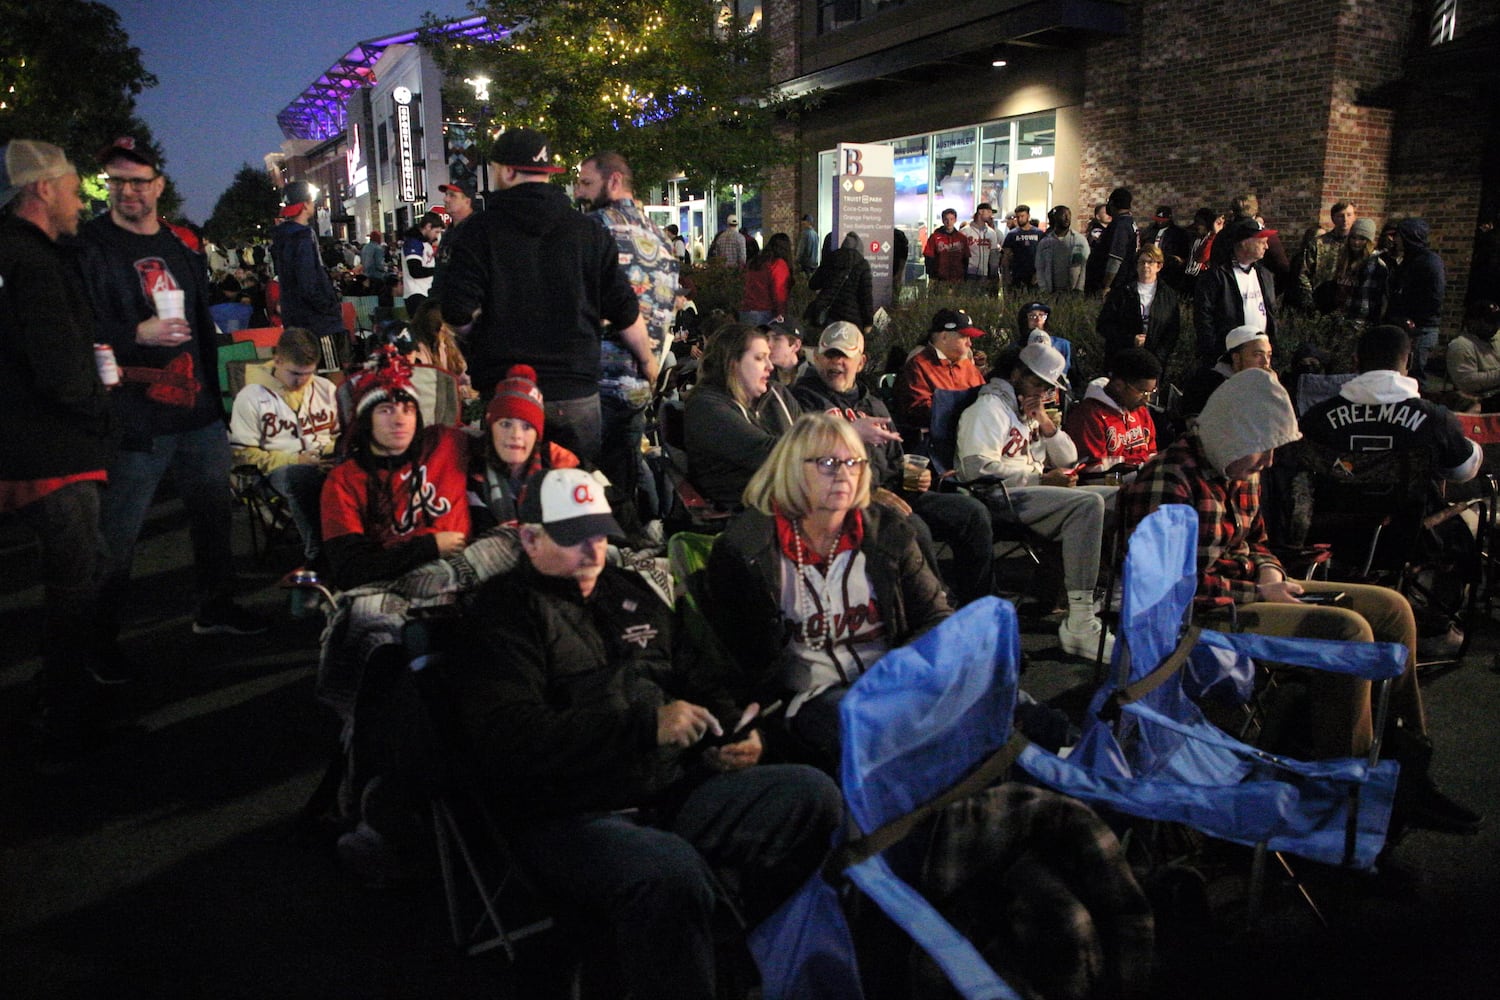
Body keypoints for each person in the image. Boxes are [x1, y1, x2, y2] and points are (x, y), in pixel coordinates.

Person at [449, 466, 841, 997]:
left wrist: (732, 731)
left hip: (673, 787)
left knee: (810, 796)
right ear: (530, 538)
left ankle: (775, 959)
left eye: (597, 532)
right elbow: (508, 738)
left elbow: (700, 673)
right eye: (572, 537)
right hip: (571, 813)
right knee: (668, 874)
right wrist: (642, 728)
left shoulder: (629, 590)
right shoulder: (503, 615)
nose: (591, 550)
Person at [1118, 368, 1480, 833]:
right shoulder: (1169, 483)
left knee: (1391, 607)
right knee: (1347, 632)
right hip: (1197, 616)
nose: (1269, 462)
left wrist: (1268, 571)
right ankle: (1345, 792)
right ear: (1233, 432)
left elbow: (1259, 541)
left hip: (1247, 589)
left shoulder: (1236, 466)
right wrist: (1259, 588)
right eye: (1263, 448)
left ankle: (1409, 765)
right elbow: (1163, 592)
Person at [79, 135, 267, 640]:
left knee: (213, 516)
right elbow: (72, 328)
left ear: (158, 185)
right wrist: (132, 334)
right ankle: (97, 640)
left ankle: (215, 605)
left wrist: (219, 399)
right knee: (118, 531)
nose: (127, 191)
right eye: (117, 181)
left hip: (197, 411)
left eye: (137, 182)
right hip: (133, 415)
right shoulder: (89, 247)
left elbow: (202, 323)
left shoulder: (178, 244)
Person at [707, 414, 953, 769]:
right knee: (864, 723)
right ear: (792, 468)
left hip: (893, 683)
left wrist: (904, 675)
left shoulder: (888, 533)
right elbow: (724, 661)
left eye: (853, 462)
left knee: (1002, 703)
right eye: (827, 463)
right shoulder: (747, 550)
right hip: (808, 702)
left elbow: (936, 618)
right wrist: (747, 727)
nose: (843, 473)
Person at [440, 127, 654, 465]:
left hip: (508, 395)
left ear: (507, 171)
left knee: (512, 497)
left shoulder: (477, 232)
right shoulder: (588, 231)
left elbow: (455, 310)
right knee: (575, 498)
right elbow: (624, 310)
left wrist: (481, 336)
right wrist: (648, 360)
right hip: (575, 392)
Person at [0, 139, 117, 740]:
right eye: (74, 188)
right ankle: (65, 713)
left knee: (80, 567)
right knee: (76, 578)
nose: (81, 200)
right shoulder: (36, 263)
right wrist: (101, 407)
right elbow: (61, 370)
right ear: (42, 189)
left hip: (31, 443)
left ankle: (65, 691)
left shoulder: (15, 256)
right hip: (52, 450)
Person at [792, 323, 996, 606]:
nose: (836, 363)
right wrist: (867, 492)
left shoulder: (873, 404)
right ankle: (936, 608)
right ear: (817, 358)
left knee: (972, 513)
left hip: (895, 491)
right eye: (829, 355)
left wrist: (917, 475)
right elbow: (804, 460)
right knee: (913, 528)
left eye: (844, 357)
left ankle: (979, 606)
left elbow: (895, 459)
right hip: (847, 500)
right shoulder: (802, 402)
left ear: (861, 362)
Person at [955, 341, 1115, 657]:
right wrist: (1040, 478)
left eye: (1047, 387)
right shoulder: (988, 408)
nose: (1041, 391)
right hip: (997, 496)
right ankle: (1080, 622)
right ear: (1015, 373)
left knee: (1119, 498)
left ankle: (1108, 592)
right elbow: (974, 468)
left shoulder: (1026, 411)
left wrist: (1044, 421)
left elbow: (1068, 459)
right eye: (1036, 383)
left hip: (1035, 492)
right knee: (1088, 504)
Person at [575, 150, 679, 535]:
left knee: (586, 490)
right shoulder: (660, 237)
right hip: (639, 384)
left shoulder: (592, 229)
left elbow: (594, 304)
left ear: (614, 181)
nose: (579, 191)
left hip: (597, 380)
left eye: (587, 183)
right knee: (622, 483)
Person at [319, 346, 470, 592]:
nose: (399, 420)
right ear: (367, 420)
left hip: (467, 570)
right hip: (392, 583)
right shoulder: (343, 481)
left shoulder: (445, 442)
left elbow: (511, 441)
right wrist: (427, 548)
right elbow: (349, 570)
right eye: (386, 410)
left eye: (408, 410)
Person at [228, 327, 340, 566]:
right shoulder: (251, 397)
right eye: (295, 373)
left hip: (324, 462)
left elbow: (339, 435)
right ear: (277, 359)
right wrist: (296, 460)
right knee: (300, 478)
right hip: (277, 473)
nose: (302, 381)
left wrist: (330, 451)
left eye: (309, 373)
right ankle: (317, 557)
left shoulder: (325, 389)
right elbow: (243, 455)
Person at [683, 323, 801, 508]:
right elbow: (765, 452)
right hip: (748, 513)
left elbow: (806, 431)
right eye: (760, 358)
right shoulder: (706, 407)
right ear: (733, 363)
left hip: (790, 497)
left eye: (769, 357)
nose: (770, 366)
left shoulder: (777, 394)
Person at [468, 363, 581, 532]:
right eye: (505, 424)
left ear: (538, 435)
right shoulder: (470, 472)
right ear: (490, 427)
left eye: (527, 427)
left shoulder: (563, 466)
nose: (516, 435)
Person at [270, 179, 347, 363]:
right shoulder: (302, 235)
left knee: (305, 372)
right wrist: (328, 307)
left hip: (294, 318)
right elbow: (308, 282)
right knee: (330, 369)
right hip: (318, 322)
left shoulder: (281, 237)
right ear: (305, 204)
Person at [1193, 217, 1277, 366]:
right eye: (1261, 242)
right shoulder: (1216, 277)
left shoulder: (1265, 275)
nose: (1267, 247)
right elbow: (1204, 318)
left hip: (1260, 355)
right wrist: (1214, 354)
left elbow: (1271, 313)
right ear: (1244, 243)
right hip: (1229, 358)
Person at [894, 308, 987, 439]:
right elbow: (920, 411)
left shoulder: (967, 365)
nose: (969, 343)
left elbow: (986, 397)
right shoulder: (918, 366)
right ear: (944, 337)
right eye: (964, 337)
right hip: (939, 444)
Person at [1063, 348, 1160, 472]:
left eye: (1151, 392)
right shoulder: (1088, 415)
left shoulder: (1140, 410)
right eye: (1142, 392)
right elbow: (1092, 470)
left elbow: (1152, 452)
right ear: (1119, 385)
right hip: (1103, 487)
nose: (1147, 399)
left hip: (1138, 483)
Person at [1096, 243, 1182, 365]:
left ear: (1159, 266)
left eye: (1150, 262)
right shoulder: (1122, 292)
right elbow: (1104, 325)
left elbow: (1172, 331)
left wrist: (1159, 356)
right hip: (1123, 359)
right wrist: (1130, 340)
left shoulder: (1168, 295)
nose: (1146, 266)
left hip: (1154, 360)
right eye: (1142, 262)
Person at [1387, 218, 1446, 389]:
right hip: (1406, 325)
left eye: (1398, 236)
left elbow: (1434, 297)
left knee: (1415, 374)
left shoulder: (1429, 262)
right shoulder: (1408, 261)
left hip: (1420, 328)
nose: (1394, 240)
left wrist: (1415, 317)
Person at [1180, 325, 1274, 420]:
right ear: (1236, 357)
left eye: (1269, 356)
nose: (1265, 362)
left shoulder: (1265, 386)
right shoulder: (1206, 385)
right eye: (1257, 355)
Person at [1295, 201, 1356, 312]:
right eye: (1340, 216)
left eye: (1349, 215)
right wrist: (1309, 302)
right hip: (1320, 301)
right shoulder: (1318, 243)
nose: (1345, 219)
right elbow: (1303, 273)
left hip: (1348, 304)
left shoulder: (1358, 245)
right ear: (1333, 218)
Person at [806, 232, 874, 330]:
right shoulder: (862, 264)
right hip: (853, 319)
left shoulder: (831, 259)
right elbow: (866, 297)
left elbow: (813, 284)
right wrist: (868, 322)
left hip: (831, 315)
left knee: (830, 342)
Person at [1446, 299, 1500, 412]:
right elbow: (1467, 382)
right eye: (1489, 322)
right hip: (1480, 400)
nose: (1495, 326)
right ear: (1473, 321)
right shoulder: (1461, 345)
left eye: (1497, 321)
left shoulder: (1497, 336)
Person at [430, 178, 478, 303]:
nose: (445, 199)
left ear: (467, 201)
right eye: (446, 195)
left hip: (467, 306)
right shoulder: (448, 233)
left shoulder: (477, 230)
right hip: (444, 304)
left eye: (452, 196)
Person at [1084, 187, 1137, 292]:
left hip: (1114, 284)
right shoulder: (1129, 222)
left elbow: (1115, 258)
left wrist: (1106, 285)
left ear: (1112, 203)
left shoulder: (1120, 225)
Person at [740, 231, 793, 326]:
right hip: (765, 312)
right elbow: (778, 292)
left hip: (747, 310)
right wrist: (781, 314)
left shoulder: (756, 261)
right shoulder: (778, 264)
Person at [1034, 205, 1089, 294]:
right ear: (1055, 218)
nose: (1067, 218)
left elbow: (1083, 266)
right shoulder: (1045, 242)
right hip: (1051, 291)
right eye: (1063, 215)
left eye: (1069, 215)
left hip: (1072, 290)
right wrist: (1043, 288)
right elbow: (1040, 267)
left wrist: (1079, 288)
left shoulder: (1079, 240)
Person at [400, 211, 444, 316]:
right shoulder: (413, 243)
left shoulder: (424, 243)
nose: (437, 236)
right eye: (436, 232)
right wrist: (439, 270)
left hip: (425, 293)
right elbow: (415, 271)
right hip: (417, 295)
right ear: (428, 226)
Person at [922, 208, 969, 287]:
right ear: (943, 220)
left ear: (955, 220)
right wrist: (932, 275)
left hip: (958, 278)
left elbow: (965, 258)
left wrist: (964, 274)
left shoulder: (962, 238)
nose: (949, 222)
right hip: (939, 278)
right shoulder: (935, 237)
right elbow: (929, 257)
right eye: (946, 219)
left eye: (951, 219)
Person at [1000, 203, 1043, 288]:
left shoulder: (1038, 233)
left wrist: (1039, 273)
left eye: (1022, 216)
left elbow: (1043, 255)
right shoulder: (1012, 235)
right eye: (1018, 217)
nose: (1020, 219)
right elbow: (1006, 256)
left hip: (1033, 272)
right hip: (1017, 273)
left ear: (1028, 216)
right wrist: (1007, 275)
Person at [961, 202, 1000, 291]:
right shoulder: (965, 231)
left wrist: (993, 275)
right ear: (981, 212)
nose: (991, 215)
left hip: (984, 274)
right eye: (989, 212)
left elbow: (993, 255)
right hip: (968, 273)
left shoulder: (991, 233)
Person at [767, 319, 809, 387]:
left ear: (796, 345)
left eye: (776, 339)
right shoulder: (763, 374)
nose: (768, 344)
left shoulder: (811, 378)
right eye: (767, 339)